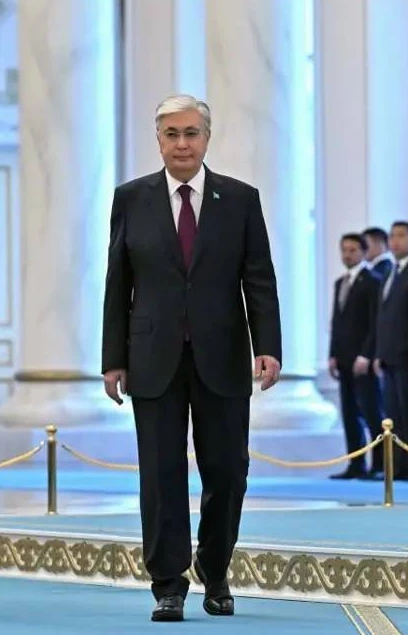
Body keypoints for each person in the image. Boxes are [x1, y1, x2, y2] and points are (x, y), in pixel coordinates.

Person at [101, 94, 282, 622]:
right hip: (151, 356)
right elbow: (118, 282)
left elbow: (259, 278)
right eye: (172, 134)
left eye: (191, 133)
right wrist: (113, 358)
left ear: (207, 138)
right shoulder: (131, 198)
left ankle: (215, 566)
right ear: (158, 140)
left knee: (227, 472)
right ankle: (168, 583)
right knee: (161, 475)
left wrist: (268, 346)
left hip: (222, 355)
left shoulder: (240, 199)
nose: (182, 144)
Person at [374, 222, 408, 481]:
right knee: (392, 413)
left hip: (407, 354)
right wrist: (377, 353)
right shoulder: (389, 272)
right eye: (392, 236)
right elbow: (382, 316)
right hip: (388, 354)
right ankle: (396, 464)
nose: (395, 241)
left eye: (401, 236)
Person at [327, 233, 382, 480]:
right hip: (344, 358)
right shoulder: (340, 282)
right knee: (349, 414)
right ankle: (355, 464)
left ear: (363, 252)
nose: (347, 254)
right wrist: (332, 354)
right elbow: (337, 321)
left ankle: (379, 465)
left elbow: (375, 322)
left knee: (371, 412)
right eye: (344, 250)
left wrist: (366, 354)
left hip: (362, 359)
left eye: (352, 250)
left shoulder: (373, 281)